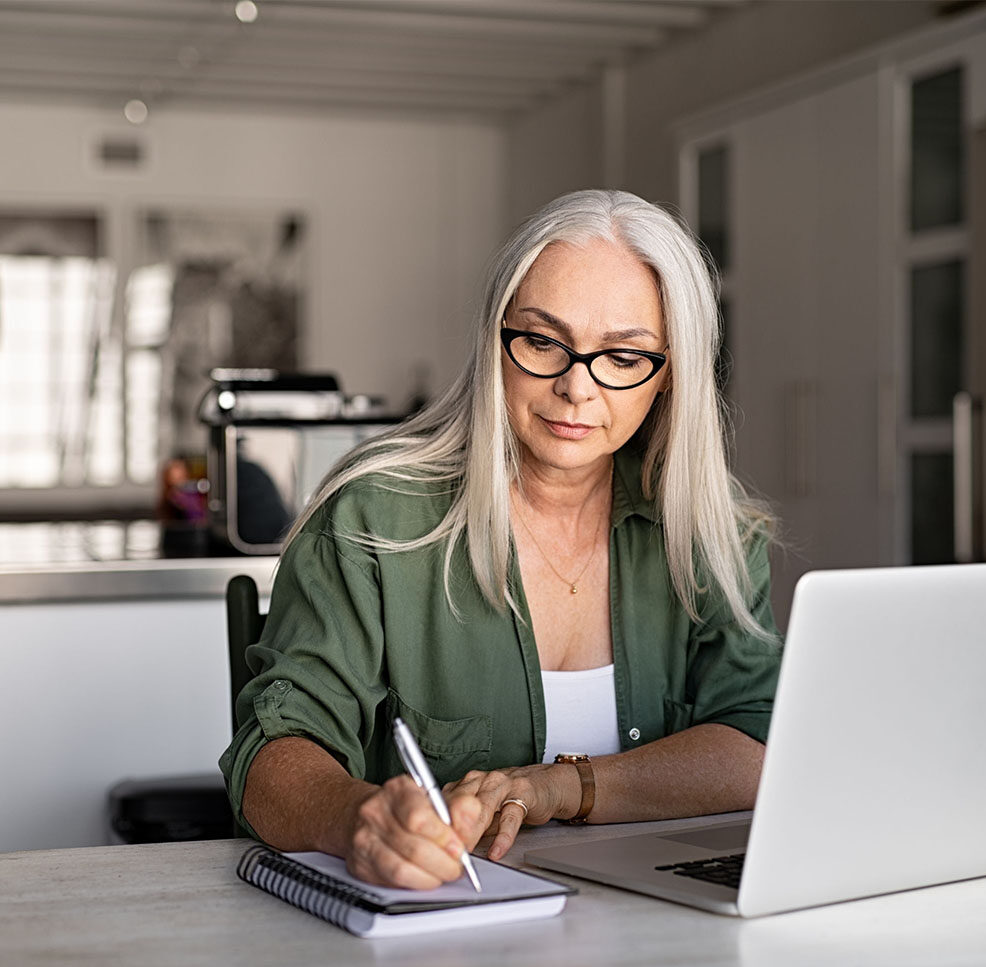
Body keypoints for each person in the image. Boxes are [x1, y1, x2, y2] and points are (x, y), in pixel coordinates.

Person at [220, 189, 782, 891]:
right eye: (544, 342)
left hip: (663, 921)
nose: (577, 388)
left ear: (669, 376)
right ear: (495, 340)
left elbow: (757, 745)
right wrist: (356, 818)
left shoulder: (712, 530)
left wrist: (558, 787)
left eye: (623, 356)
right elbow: (272, 755)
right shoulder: (372, 516)